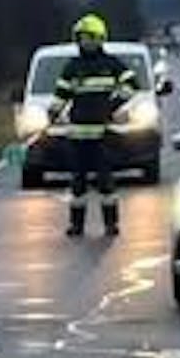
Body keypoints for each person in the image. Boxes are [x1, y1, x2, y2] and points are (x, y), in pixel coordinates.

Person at [50, 14, 139, 237]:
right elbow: (61, 94)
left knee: (105, 182)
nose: (85, 42)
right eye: (81, 38)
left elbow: (132, 84)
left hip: (103, 134)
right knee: (77, 183)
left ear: (100, 38)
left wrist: (113, 105)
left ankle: (111, 224)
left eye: (89, 37)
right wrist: (53, 112)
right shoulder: (72, 67)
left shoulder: (111, 64)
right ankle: (76, 225)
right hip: (78, 134)